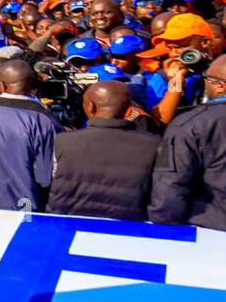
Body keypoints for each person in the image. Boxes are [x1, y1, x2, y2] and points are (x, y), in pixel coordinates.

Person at [46, 81, 160, 221]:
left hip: (68, 225)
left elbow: (46, 182)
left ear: (90, 106)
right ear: (128, 108)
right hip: (129, 228)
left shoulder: (61, 141)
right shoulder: (155, 145)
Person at [0, 59, 59, 211]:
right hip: (23, 207)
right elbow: (45, 177)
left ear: (1, 85)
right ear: (32, 83)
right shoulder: (45, 121)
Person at [149, 54, 226, 230]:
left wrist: (164, 227)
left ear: (220, 85)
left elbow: (170, 184)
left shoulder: (189, 124)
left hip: (211, 230)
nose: (204, 83)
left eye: (207, 78)